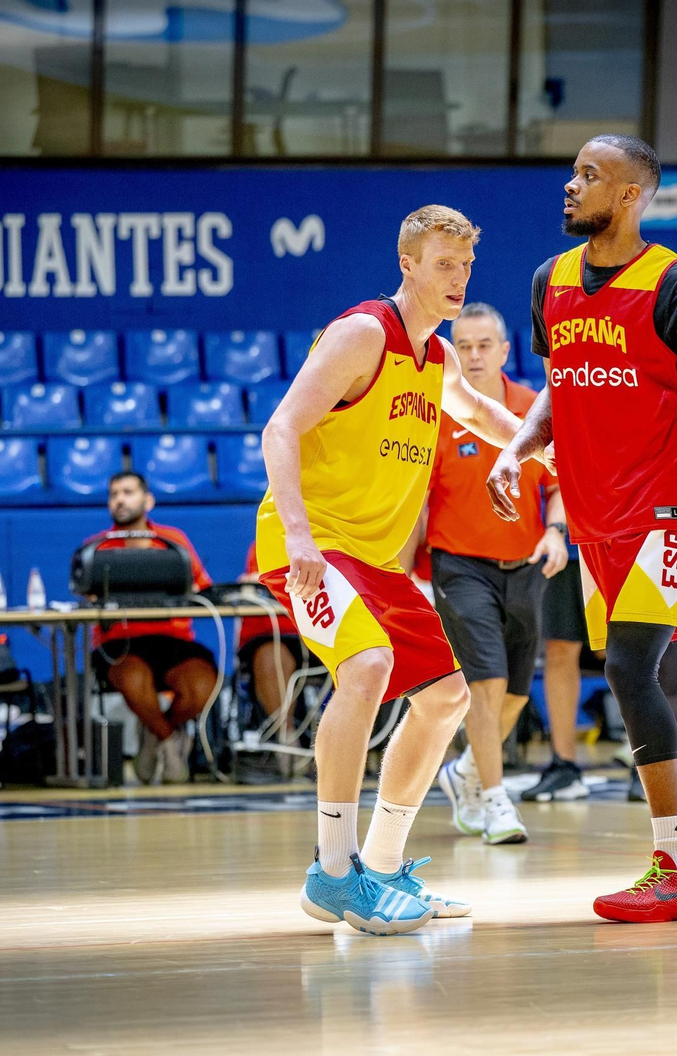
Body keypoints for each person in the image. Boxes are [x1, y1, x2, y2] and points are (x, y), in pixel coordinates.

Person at [489, 135, 677, 923]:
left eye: (590, 175)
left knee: (626, 670)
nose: (570, 185)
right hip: (595, 520)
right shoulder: (551, 281)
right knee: (668, 690)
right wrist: (519, 447)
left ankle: (673, 866)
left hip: (663, 509)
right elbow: (559, 388)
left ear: (630, 196)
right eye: (573, 171)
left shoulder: (676, 284)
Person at [256, 204, 546, 936]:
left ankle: (381, 868)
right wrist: (298, 537)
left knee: (447, 695)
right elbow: (280, 426)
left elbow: (484, 416)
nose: (458, 279)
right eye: (444, 265)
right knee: (368, 668)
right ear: (407, 264)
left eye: (467, 267)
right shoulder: (363, 335)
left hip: (373, 561)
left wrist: (554, 450)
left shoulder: (437, 358)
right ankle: (332, 871)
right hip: (313, 545)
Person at [416, 302, 568, 845]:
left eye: (485, 345)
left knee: (518, 694)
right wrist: (401, 569)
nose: (475, 356)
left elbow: (558, 486)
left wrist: (556, 531)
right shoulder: (435, 415)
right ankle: (497, 800)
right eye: (466, 346)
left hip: (525, 564)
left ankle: (466, 773)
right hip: (459, 565)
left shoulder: (532, 409)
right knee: (487, 683)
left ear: (506, 350)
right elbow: (416, 504)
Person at [86, 472, 218, 786]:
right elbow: (88, 600)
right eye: (114, 493)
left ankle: (154, 733)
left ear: (148, 501)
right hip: (120, 642)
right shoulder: (97, 548)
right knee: (133, 676)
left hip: (173, 640)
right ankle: (170, 741)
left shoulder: (174, 542)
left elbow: (203, 587)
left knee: (202, 684)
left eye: (128, 492)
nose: (119, 499)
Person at [518, 561, 592, 802]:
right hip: (566, 547)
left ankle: (646, 762)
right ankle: (564, 767)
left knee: (625, 646)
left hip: (621, 538)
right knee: (560, 645)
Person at [236, 540, 303, 721]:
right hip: (272, 634)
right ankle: (286, 740)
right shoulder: (264, 543)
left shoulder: (337, 535)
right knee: (271, 655)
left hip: (323, 633)